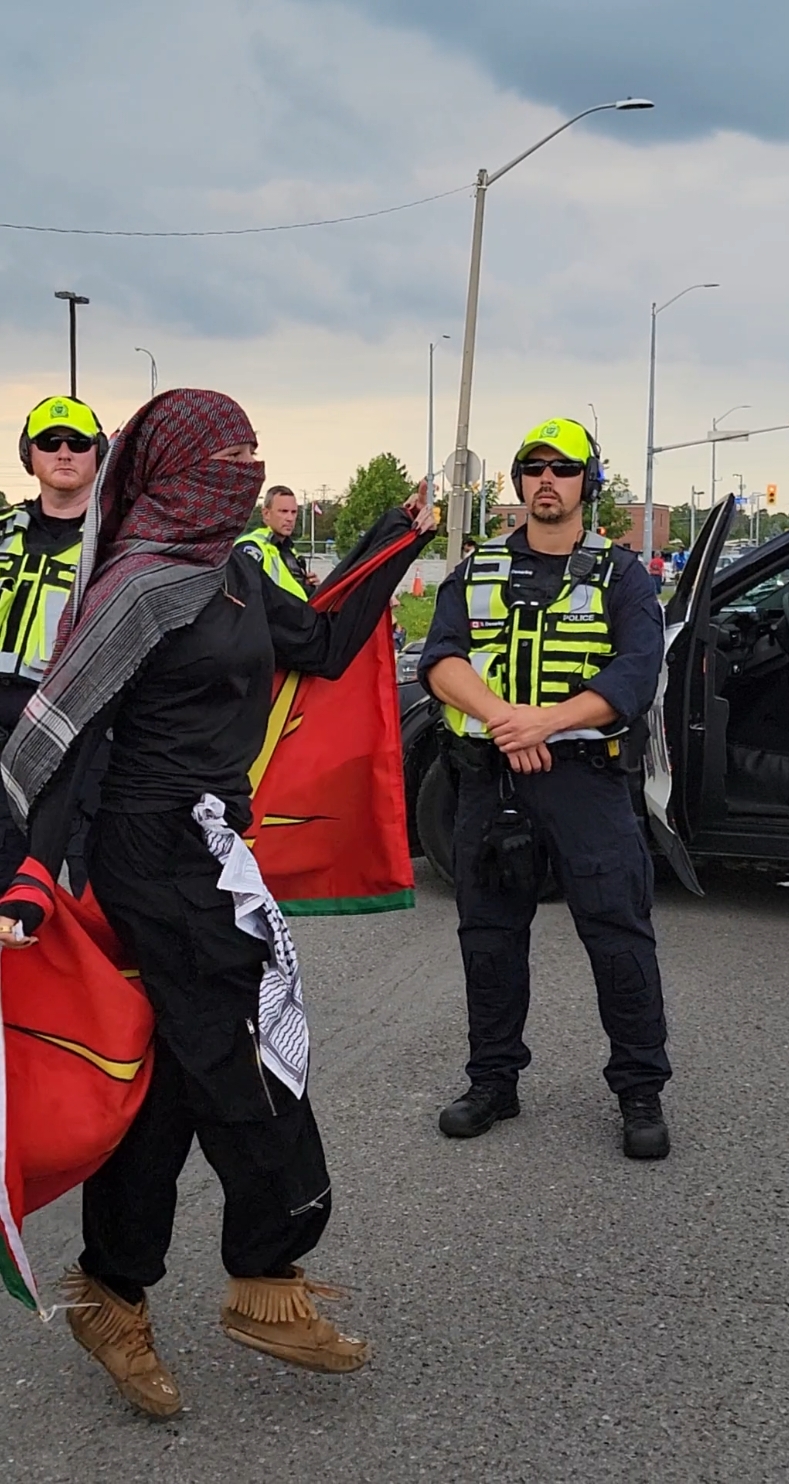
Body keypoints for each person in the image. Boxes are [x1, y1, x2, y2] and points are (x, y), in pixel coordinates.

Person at [0, 389, 435, 1419]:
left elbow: (321, 645)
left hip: (211, 850)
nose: (245, 468)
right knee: (242, 1057)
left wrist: (396, 539)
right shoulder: (136, 586)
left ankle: (115, 1288)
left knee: (178, 1082)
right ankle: (267, 1275)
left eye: (254, 450)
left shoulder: (235, 570)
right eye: (227, 453)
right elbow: (62, 740)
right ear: (179, 469)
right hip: (146, 855)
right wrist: (25, 869)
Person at [418, 416, 671, 1158]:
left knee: (618, 935)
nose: (547, 481)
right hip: (489, 778)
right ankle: (493, 1082)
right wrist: (505, 720)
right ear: (519, 482)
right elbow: (442, 657)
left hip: (586, 783)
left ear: (588, 483)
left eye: (562, 469)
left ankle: (639, 1090)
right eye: (534, 468)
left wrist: (548, 723)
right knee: (489, 939)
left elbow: (634, 674)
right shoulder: (477, 569)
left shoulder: (624, 576)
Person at [0, 395, 108, 893]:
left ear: (97, 454)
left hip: (82, 739)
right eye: (50, 441)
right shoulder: (3, 536)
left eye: (78, 443)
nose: (64, 452)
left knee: (103, 896)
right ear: (30, 454)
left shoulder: (116, 547)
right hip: (3, 741)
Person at [237, 483, 317, 597]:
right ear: (266, 514)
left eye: (293, 512)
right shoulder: (251, 546)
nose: (290, 518)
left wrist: (307, 587)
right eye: (283, 511)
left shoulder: (289, 550)